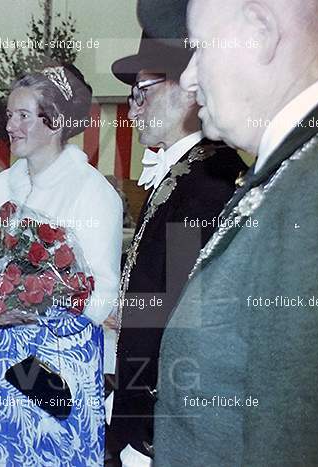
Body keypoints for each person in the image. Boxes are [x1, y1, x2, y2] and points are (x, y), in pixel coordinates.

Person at [137, 0, 318, 465]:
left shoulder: (315, 187)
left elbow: (296, 434)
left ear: (260, 32)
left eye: (199, 50)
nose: (189, 78)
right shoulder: (291, 170)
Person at [0, 64, 123, 466]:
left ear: (54, 122)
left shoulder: (94, 193)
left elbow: (102, 295)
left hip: (59, 361)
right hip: (5, 353)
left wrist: (37, 302)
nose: (10, 127)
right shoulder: (3, 185)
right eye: (9, 116)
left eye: (22, 116)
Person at [106, 32, 246, 467]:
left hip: (164, 417)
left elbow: (191, 314)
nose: (133, 108)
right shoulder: (183, 173)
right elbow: (166, 289)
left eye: (142, 93)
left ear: (187, 90)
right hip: (143, 402)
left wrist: (151, 428)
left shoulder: (206, 181)